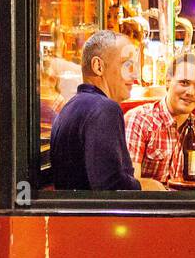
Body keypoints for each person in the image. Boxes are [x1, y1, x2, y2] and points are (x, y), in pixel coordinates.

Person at [50, 30, 161, 191]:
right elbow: (111, 187)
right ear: (98, 66)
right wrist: (151, 186)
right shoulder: (105, 108)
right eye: (127, 64)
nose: (135, 74)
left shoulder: (70, 107)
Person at [125, 50, 195, 185]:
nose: (191, 92)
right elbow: (129, 186)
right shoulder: (140, 120)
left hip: (188, 204)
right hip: (150, 205)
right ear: (167, 82)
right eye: (184, 83)